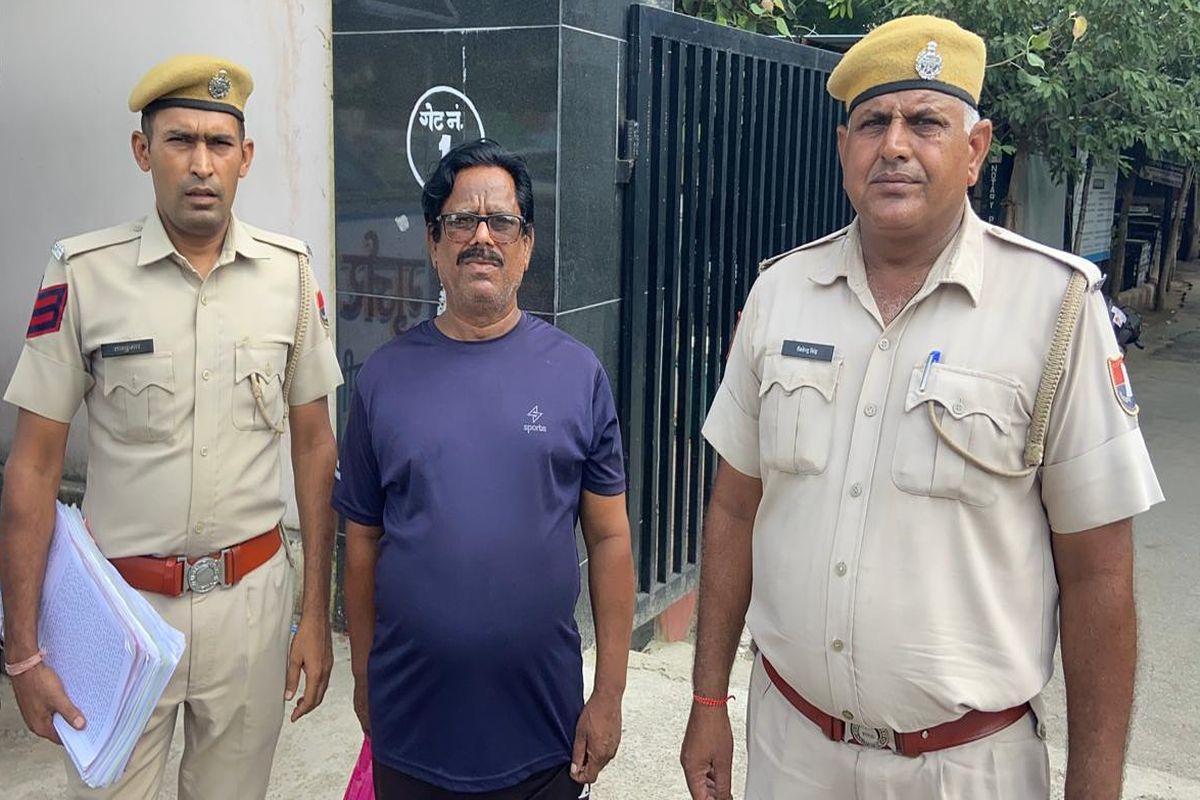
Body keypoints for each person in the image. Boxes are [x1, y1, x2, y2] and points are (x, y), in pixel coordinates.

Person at [680, 15, 1163, 800]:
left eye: (926, 122)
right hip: (790, 749)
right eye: (874, 123)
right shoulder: (781, 293)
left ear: (975, 150)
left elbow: (1100, 574)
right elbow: (735, 509)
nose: (895, 146)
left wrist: (1095, 785)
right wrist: (708, 701)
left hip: (967, 770)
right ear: (845, 148)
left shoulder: (1055, 310)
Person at [0, 54, 343, 799]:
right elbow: (32, 466)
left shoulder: (290, 276)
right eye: (180, 140)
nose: (201, 164)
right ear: (143, 150)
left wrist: (314, 615)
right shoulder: (83, 274)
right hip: (121, 615)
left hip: (251, 608)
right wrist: (23, 650)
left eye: (219, 143)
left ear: (245, 157)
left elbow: (316, 448)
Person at [334, 138, 635, 800]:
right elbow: (361, 541)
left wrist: (609, 694)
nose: (481, 237)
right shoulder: (383, 378)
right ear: (433, 243)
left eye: (500, 221)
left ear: (526, 244)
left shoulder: (577, 374)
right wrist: (362, 677)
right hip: (411, 727)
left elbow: (611, 537)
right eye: (461, 221)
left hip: (544, 731)